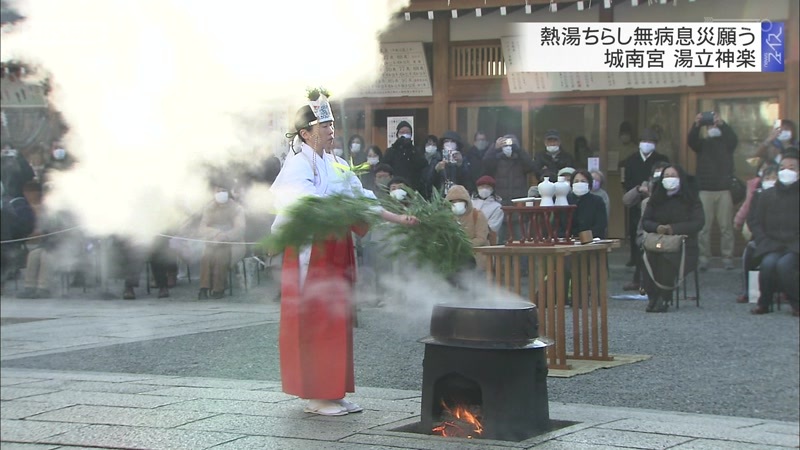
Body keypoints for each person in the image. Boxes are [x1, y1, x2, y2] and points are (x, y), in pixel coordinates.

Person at [270, 93, 418, 416]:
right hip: (314, 249)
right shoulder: (298, 163)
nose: (330, 129)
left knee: (338, 318)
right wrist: (334, 208)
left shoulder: (336, 164)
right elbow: (299, 201)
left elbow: (360, 198)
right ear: (305, 134)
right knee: (319, 319)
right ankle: (316, 395)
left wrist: (397, 217)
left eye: (332, 123)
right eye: (322, 124)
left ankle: (334, 390)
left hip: (337, 247)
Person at [641, 164, 705, 313]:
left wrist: (673, 229)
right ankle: (652, 297)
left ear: (680, 179)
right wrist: (658, 227)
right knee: (648, 258)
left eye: (673, 176)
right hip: (658, 241)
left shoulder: (691, 198)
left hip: (684, 245)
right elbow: (646, 222)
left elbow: (698, 222)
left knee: (666, 259)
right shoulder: (656, 198)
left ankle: (664, 297)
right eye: (666, 176)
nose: (669, 179)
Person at [748, 148, 799, 316]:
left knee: (784, 266)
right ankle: (764, 302)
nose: (787, 171)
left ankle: (796, 303)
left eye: (792, 168)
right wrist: (763, 240)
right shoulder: (767, 195)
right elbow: (754, 220)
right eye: (783, 167)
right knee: (768, 265)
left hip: (795, 245)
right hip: (772, 243)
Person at [688, 111, 738, 271]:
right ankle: (704, 258)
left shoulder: (727, 143)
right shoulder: (702, 144)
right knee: (704, 228)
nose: (713, 127)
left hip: (724, 189)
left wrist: (722, 124)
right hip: (705, 190)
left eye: (714, 124)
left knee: (726, 228)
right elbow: (691, 141)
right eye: (710, 125)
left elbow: (733, 139)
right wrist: (696, 125)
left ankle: (727, 258)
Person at [620, 128, 669, 269]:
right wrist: (636, 190)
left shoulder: (661, 160)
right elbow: (625, 180)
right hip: (636, 198)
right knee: (634, 228)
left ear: (655, 143)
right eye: (644, 141)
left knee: (652, 229)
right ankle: (634, 257)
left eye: (650, 141)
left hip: (655, 199)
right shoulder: (631, 160)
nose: (646, 144)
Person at [621, 161, 670, 292]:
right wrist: (639, 190)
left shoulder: (673, 188)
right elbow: (626, 201)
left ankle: (658, 282)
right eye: (657, 172)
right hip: (645, 229)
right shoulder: (646, 185)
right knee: (642, 246)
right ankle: (639, 281)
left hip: (665, 230)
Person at [735, 163, 779, 304]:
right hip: (760, 238)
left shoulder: (787, 196)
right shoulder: (757, 195)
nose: (771, 180)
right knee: (749, 253)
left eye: (774, 177)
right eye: (768, 177)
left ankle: (785, 290)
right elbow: (752, 219)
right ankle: (748, 291)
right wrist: (761, 237)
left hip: (782, 239)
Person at [197, 179, 246, 300]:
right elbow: (202, 227)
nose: (221, 193)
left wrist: (225, 236)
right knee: (206, 256)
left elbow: (240, 229)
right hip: (213, 241)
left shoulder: (236, 208)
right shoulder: (209, 207)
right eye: (218, 191)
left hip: (233, 243)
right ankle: (204, 287)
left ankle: (218, 288)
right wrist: (216, 234)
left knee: (220, 255)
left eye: (223, 191)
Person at [482, 134, 535, 245]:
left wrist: (519, 151)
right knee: (500, 242)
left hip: (518, 209)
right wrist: (494, 148)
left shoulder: (520, 161)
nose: (508, 146)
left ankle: (522, 263)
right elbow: (485, 164)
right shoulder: (496, 160)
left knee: (521, 241)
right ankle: (498, 263)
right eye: (505, 144)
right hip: (501, 208)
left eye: (512, 144)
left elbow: (531, 166)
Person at [445, 184, 489, 270]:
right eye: (453, 202)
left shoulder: (477, 215)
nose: (456, 204)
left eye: (459, 201)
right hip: (452, 258)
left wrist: (463, 245)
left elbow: (481, 238)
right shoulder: (446, 217)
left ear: (466, 202)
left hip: (474, 257)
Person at [425, 131, 474, 197]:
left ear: (457, 144)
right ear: (442, 144)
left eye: (452, 141)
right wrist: (436, 170)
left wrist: (460, 165)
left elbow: (469, 182)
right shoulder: (437, 159)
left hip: (458, 197)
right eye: (446, 141)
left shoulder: (463, 159)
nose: (449, 144)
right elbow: (428, 183)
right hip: (440, 198)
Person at [383, 120, 427, 192]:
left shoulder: (416, 150)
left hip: (412, 187)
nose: (405, 134)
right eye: (402, 132)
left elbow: (422, 165)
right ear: (397, 134)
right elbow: (385, 166)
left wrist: (411, 150)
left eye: (407, 132)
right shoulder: (391, 151)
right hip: (395, 186)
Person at [565, 170, 607, 240]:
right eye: (576, 181)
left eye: (583, 181)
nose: (579, 183)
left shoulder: (597, 201)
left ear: (589, 183)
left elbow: (601, 225)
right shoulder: (565, 200)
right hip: (569, 241)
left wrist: (586, 237)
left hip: (592, 241)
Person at [471, 175, 504, 244]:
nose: (484, 189)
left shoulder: (497, 207)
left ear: (492, 189)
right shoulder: (471, 203)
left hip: (488, 241)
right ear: (477, 188)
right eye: (482, 187)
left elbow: (493, 227)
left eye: (487, 187)